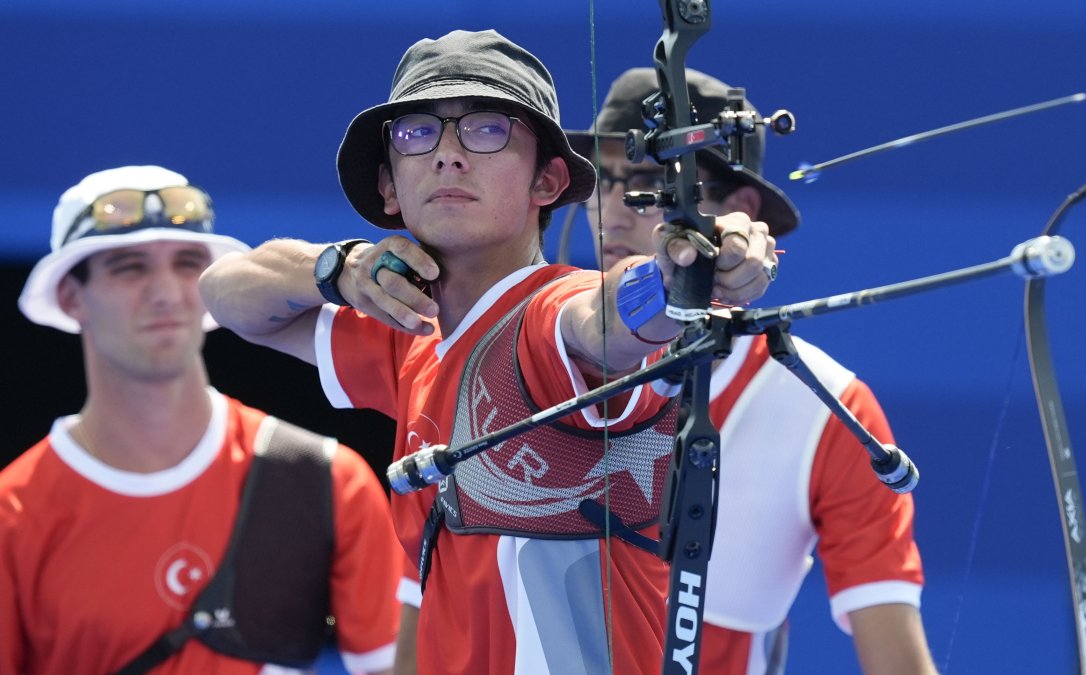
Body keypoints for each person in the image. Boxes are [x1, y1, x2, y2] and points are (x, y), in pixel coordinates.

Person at [198, 30, 776, 675]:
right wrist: (341, 267)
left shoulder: (550, 314)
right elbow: (226, 295)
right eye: (418, 132)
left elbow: (606, 321)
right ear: (389, 186)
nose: (448, 155)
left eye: (486, 130)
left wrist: (681, 274)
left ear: (548, 180)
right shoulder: (410, 326)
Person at [564, 69, 937, 675]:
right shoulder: (528, 343)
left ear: (738, 213)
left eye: (651, 182)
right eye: (602, 181)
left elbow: (897, 658)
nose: (611, 210)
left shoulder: (827, 407)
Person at [1, 165, 402, 675]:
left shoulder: (326, 482)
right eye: (129, 267)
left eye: (188, 264)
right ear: (70, 298)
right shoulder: (12, 518)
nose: (166, 292)